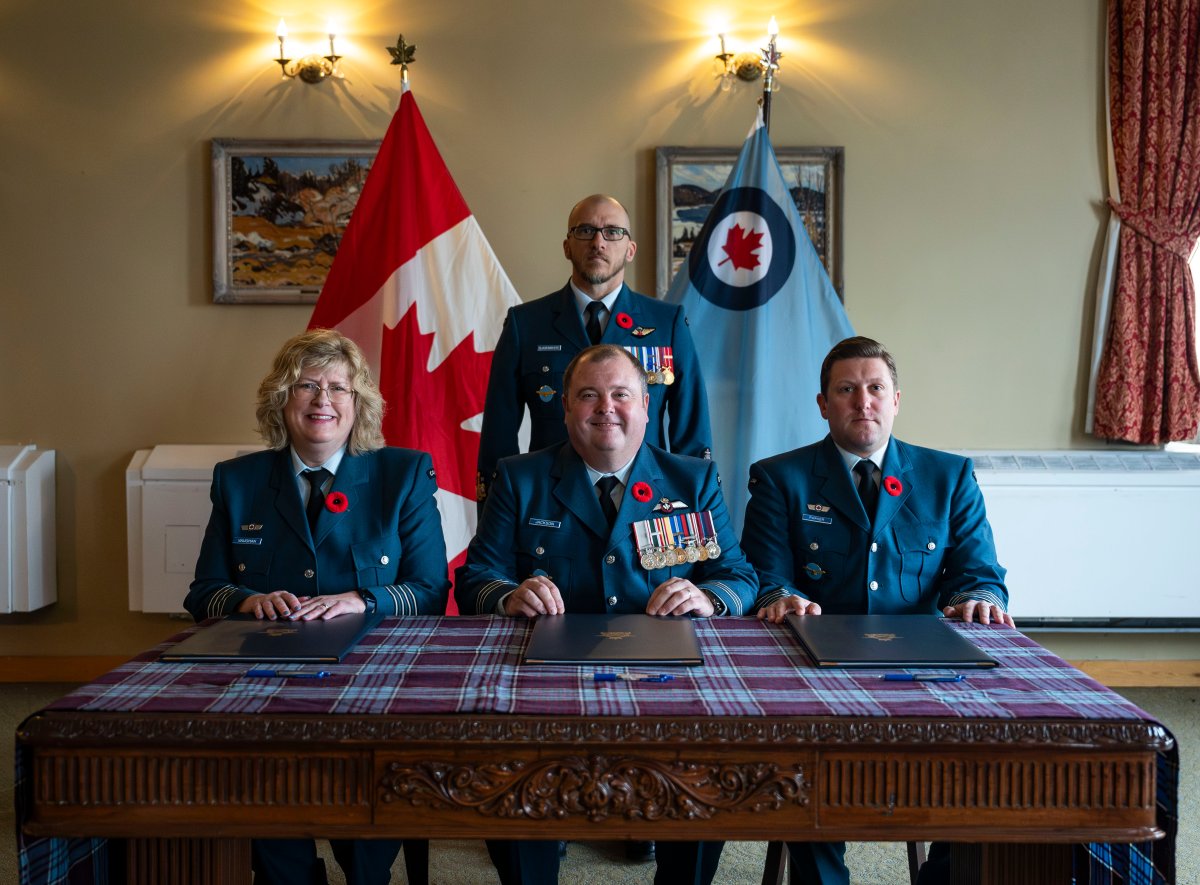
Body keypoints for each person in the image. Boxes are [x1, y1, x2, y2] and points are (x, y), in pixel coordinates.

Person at [456, 344, 758, 885]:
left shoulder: (693, 482)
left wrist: (708, 599)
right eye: (589, 395)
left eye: (621, 394)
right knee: (509, 768)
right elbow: (476, 578)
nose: (606, 408)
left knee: (707, 768)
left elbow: (738, 578)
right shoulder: (521, 478)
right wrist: (509, 595)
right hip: (547, 683)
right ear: (567, 409)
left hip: (667, 682)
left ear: (645, 405)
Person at [743, 335, 1012, 885]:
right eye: (846, 390)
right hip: (816, 668)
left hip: (923, 666)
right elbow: (765, 575)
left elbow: (979, 572)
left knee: (994, 769)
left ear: (896, 400)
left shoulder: (948, 476)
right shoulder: (780, 477)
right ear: (823, 404)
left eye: (874, 388)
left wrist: (980, 600)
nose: (862, 402)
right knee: (809, 772)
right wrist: (777, 598)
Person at [186, 328, 450, 885]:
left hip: (371, 674)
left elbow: (429, 590)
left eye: (338, 388)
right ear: (282, 400)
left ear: (360, 404)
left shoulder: (402, 475)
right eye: (306, 386)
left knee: (362, 810)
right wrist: (250, 599)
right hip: (268, 675)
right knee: (264, 794)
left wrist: (359, 599)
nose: (323, 400)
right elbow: (204, 592)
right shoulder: (237, 481)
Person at [476, 194, 713, 509]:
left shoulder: (666, 323)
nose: (598, 242)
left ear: (630, 250)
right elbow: (499, 435)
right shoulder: (526, 324)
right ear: (566, 246)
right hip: (551, 501)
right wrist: (497, 515)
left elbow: (691, 433)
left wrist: (694, 512)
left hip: (647, 501)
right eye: (585, 230)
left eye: (613, 232)